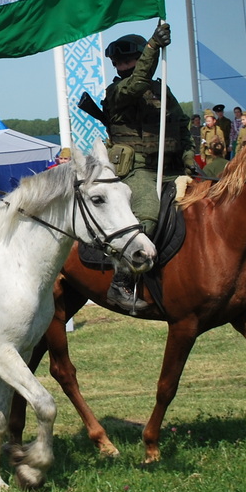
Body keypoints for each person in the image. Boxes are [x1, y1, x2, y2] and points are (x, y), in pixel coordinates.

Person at [97, 22, 188, 310]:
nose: (124, 64)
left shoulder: (162, 90)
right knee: (146, 214)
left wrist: (189, 161)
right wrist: (153, 47)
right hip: (136, 169)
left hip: (170, 166)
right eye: (119, 61)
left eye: (129, 59)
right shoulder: (118, 91)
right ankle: (122, 281)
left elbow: (181, 124)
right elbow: (137, 82)